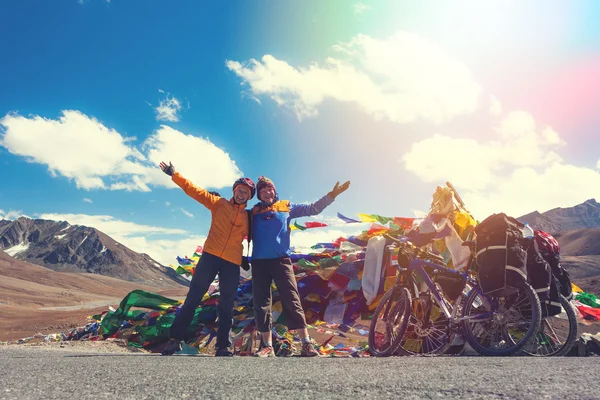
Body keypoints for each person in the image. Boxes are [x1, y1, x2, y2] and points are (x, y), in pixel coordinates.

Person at [159, 161, 255, 357]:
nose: (241, 193)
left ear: (250, 197)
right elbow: (194, 191)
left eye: (246, 192)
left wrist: (243, 257)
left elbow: (252, 236)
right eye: (239, 189)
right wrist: (174, 174)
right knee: (193, 298)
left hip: (231, 263)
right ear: (234, 190)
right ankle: (175, 340)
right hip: (210, 257)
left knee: (227, 304)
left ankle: (223, 347)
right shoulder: (218, 204)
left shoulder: (249, 217)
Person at [251, 176, 350, 357]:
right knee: (261, 302)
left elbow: (313, 208)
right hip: (258, 262)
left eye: (269, 189)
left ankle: (306, 343)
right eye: (262, 190)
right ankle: (267, 346)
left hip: (281, 261)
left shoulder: (286, 206)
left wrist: (332, 195)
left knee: (291, 298)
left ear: (274, 191)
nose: (266, 192)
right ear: (258, 194)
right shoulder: (253, 212)